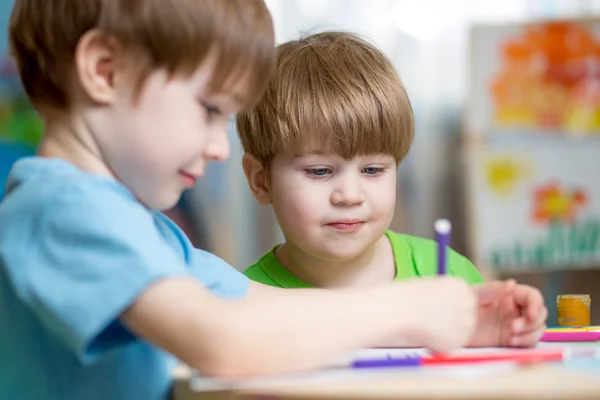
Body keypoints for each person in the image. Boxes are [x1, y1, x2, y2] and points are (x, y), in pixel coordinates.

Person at [0, 3, 493, 400]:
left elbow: (270, 307)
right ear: (104, 72)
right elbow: (225, 338)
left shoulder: (140, 225)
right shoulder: (63, 210)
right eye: (211, 110)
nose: (219, 147)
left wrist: (458, 320)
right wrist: (406, 307)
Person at [237, 31, 547, 347]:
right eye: (319, 171)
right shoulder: (239, 303)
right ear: (261, 180)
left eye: (372, 170)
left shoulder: (448, 274)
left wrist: (507, 332)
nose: (349, 195)